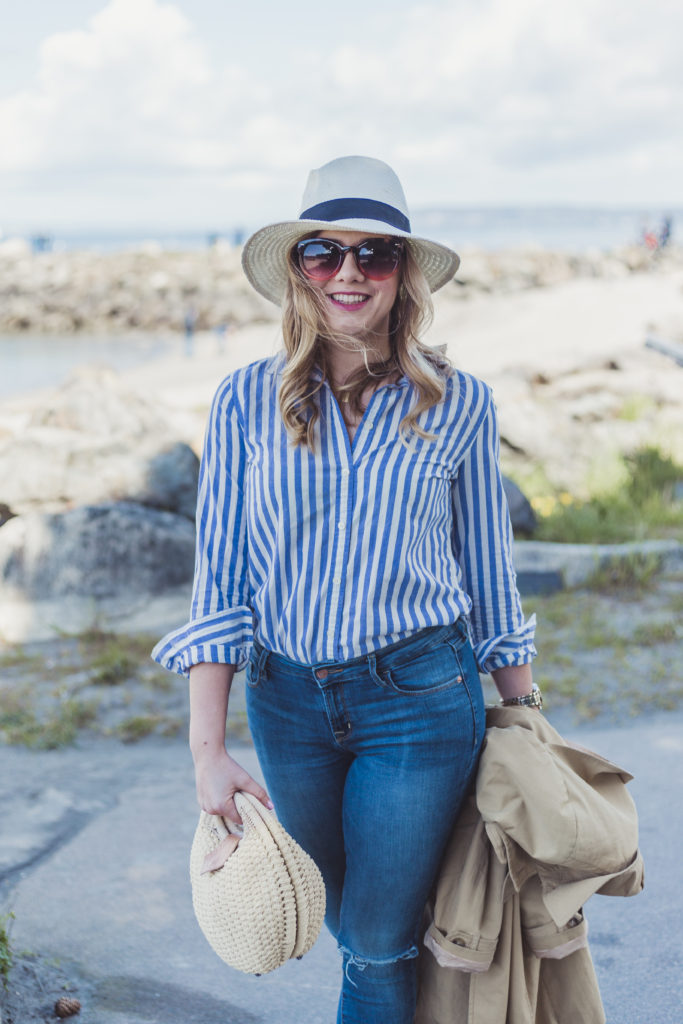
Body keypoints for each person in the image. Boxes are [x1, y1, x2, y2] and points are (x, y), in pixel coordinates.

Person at [152, 155, 538, 1024]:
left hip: (420, 702)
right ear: (297, 270)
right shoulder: (244, 400)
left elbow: (488, 573)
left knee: (373, 941)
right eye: (324, 253)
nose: (349, 274)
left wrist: (526, 716)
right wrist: (206, 752)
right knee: (340, 917)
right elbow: (219, 581)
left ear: (404, 273)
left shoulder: (459, 403)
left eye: (375, 255)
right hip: (285, 705)